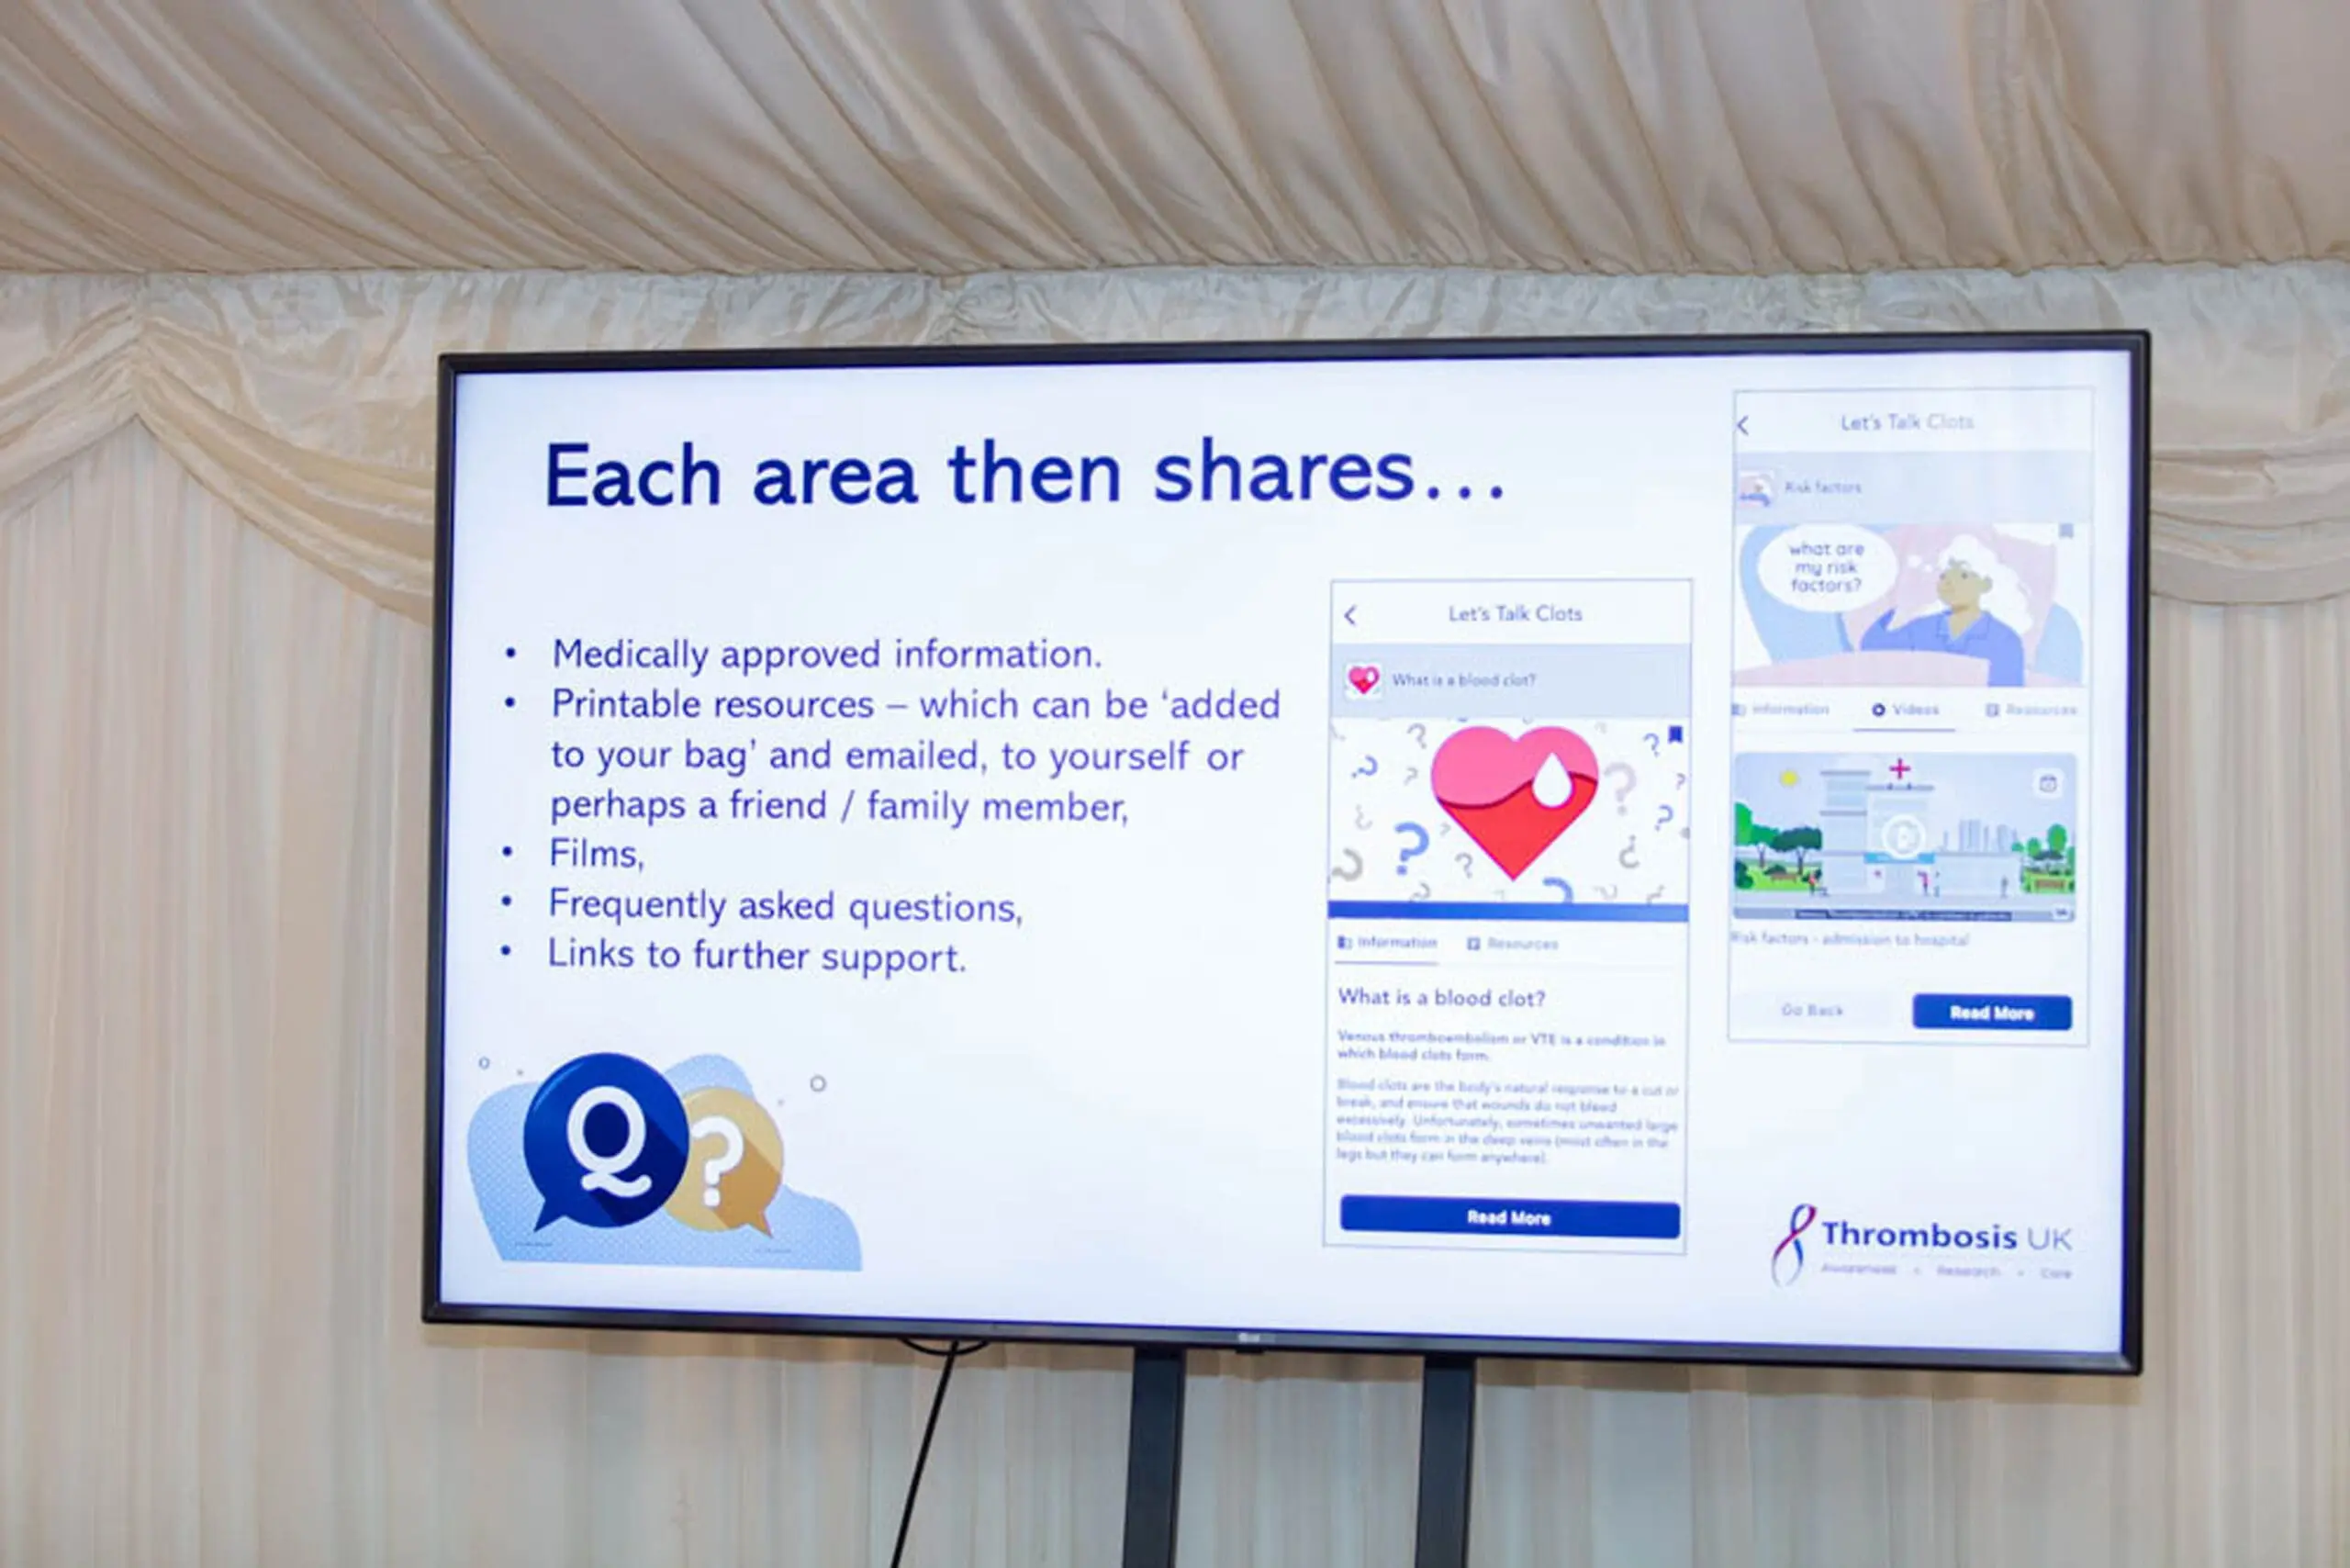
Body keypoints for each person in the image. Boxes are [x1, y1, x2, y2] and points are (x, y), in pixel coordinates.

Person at [1858, 535, 2030, 686]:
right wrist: (1895, 611)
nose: (1950, 582)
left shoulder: (2004, 640)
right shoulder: (1921, 629)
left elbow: (2008, 696)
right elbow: (1873, 648)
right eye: (1944, 576)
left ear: (1985, 584)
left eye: (1963, 576)